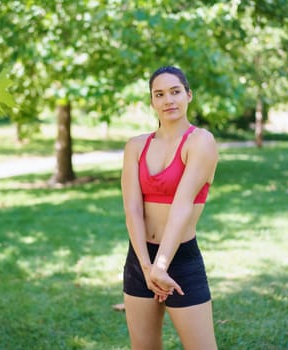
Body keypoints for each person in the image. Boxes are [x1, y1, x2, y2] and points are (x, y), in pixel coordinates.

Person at [121, 65, 219, 349]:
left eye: (175, 92)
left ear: (188, 95)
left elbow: (181, 206)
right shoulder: (135, 146)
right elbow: (133, 209)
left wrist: (161, 266)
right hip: (140, 258)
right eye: (159, 94)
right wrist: (147, 266)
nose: (168, 100)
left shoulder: (201, 141)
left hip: (180, 261)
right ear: (152, 102)